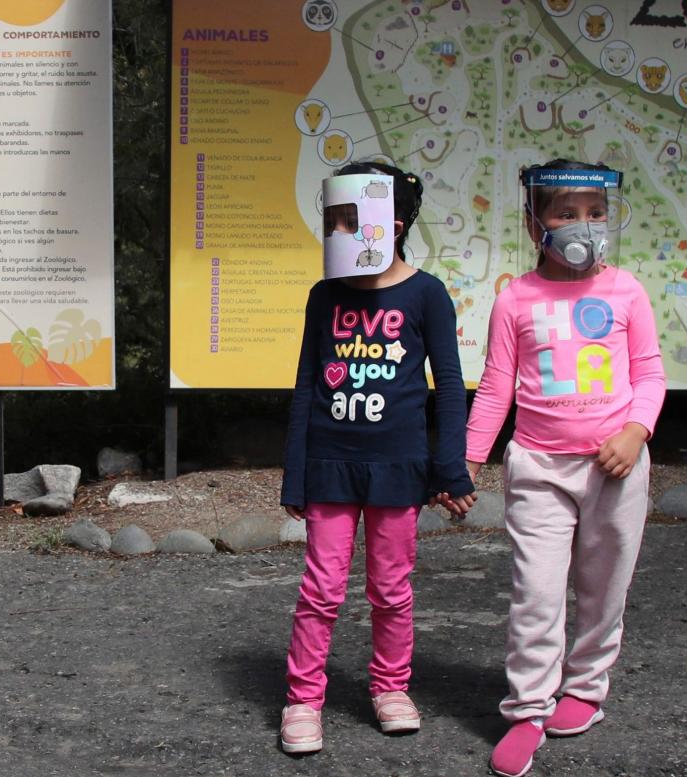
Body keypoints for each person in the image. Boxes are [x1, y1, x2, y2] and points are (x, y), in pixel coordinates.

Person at [463, 159, 666, 777]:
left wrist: (634, 432)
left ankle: (584, 689)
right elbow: (497, 386)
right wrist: (468, 459)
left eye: (595, 213)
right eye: (567, 214)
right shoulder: (515, 299)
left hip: (616, 470)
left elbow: (650, 374)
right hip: (539, 466)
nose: (585, 225)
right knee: (537, 592)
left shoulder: (627, 290)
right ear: (535, 225)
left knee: (605, 586)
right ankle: (527, 708)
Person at [279, 161, 476, 755]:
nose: (336, 232)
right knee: (320, 590)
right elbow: (307, 383)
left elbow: (448, 381)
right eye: (330, 221)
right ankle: (303, 699)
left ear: (388, 225)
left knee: (392, 590)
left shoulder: (426, 294)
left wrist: (450, 469)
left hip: (399, 467)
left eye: (349, 221)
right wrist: (296, 472)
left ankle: (391, 689)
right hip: (331, 467)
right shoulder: (323, 297)